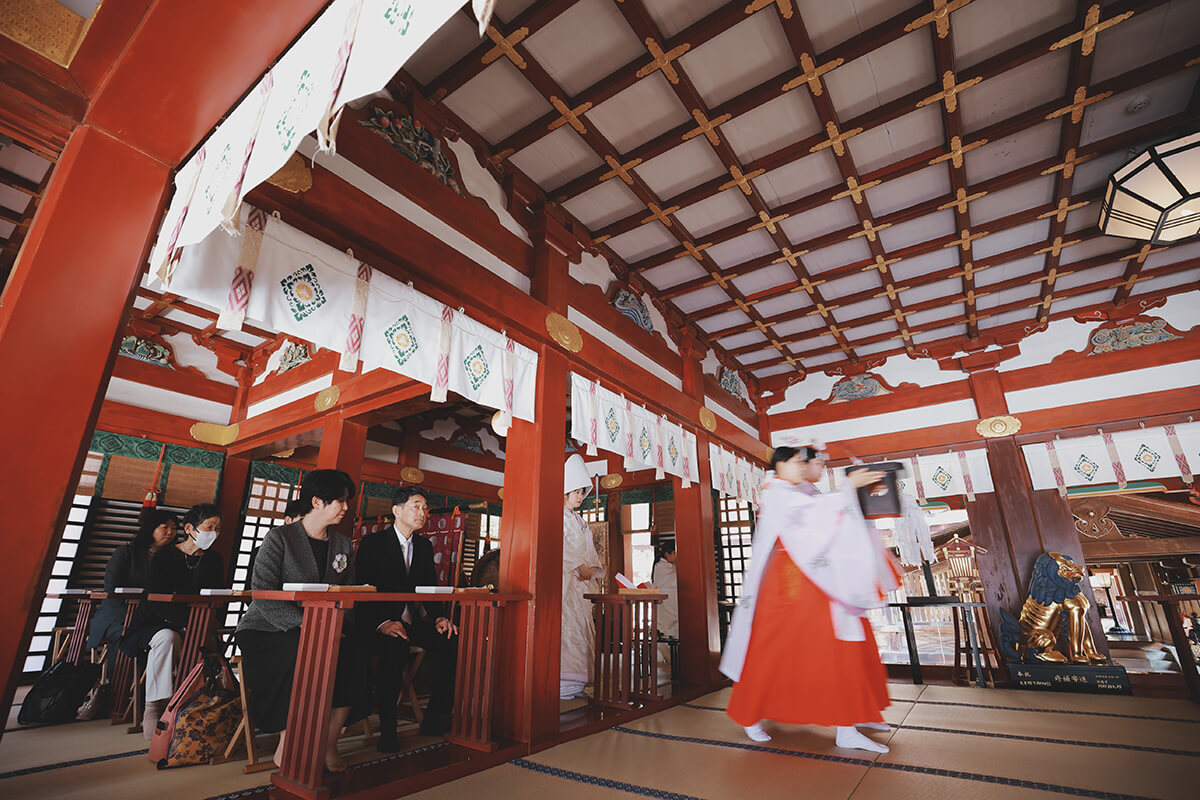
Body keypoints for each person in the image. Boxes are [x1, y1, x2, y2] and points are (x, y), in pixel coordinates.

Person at [721, 440, 899, 753]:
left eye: (806, 462)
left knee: (837, 649)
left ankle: (851, 722)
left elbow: (827, 519)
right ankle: (749, 714)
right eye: (798, 462)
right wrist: (846, 488)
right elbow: (816, 516)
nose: (804, 467)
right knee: (772, 651)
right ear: (779, 464)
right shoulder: (777, 492)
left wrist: (850, 494)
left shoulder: (795, 491)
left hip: (819, 577)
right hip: (789, 584)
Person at [236, 469, 367, 772]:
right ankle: (290, 742)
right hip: (269, 627)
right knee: (301, 652)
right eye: (341, 501)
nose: (346, 508)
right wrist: (305, 624)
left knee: (355, 653)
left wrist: (333, 624)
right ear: (317, 502)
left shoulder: (343, 545)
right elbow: (262, 591)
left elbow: (348, 592)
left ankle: (328, 743)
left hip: (326, 626)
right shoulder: (279, 538)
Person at [356, 486, 458, 750]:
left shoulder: (424, 546)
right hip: (377, 624)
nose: (422, 513)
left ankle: (435, 717)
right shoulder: (372, 544)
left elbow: (429, 588)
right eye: (416, 506)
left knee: (450, 640)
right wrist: (382, 623)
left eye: (425, 508)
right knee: (395, 647)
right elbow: (361, 590)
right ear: (396, 510)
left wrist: (438, 618)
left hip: (409, 621)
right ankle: (387, 730)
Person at [120, 503, 226, 739]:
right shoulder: (164, 556)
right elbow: (156, 599)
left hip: (198, 623)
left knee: (208, 647)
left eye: (218, 529)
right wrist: (187, 622)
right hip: (157, 621)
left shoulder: (214, 559)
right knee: (168, 638)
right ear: (190, 528)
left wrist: (208, 623)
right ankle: (155, 706)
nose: (214, 533)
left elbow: (219, 597)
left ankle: (193, 707)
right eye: (210, 527)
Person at [78, 509, 177, 720]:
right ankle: (119, 694)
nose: (170, 532)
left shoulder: (172, 559)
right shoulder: (126, 552)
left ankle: (147, 697)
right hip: (117, 613)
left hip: (151, 617)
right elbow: (110, 589)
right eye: (165, 527)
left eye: (174, 528)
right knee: (128, 634)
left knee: (166, 635)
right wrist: (130, 619)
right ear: (151, 528)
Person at [561, 454, 605, 699]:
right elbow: (561, 548)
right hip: (567, 584)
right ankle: (562, 682)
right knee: (568, 631)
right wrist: (580, 567)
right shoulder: (560, 518)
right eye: (576, 492)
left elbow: (588, 551)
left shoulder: (579, 520)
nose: (580, 496)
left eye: (581, 492)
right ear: (565, 492)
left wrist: (589, 569)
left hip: (581, 586)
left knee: (583, 629)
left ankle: (578, 683)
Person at [652, 538, 679, 680]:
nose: (676, 557)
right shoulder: (661, 567)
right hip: (665, 604)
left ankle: (675, 657)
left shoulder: (666, 566)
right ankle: (670, 656)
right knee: (667, 629)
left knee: (674, 628)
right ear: (669, 553)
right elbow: (669, 584)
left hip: (671, 603)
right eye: (675, 554)